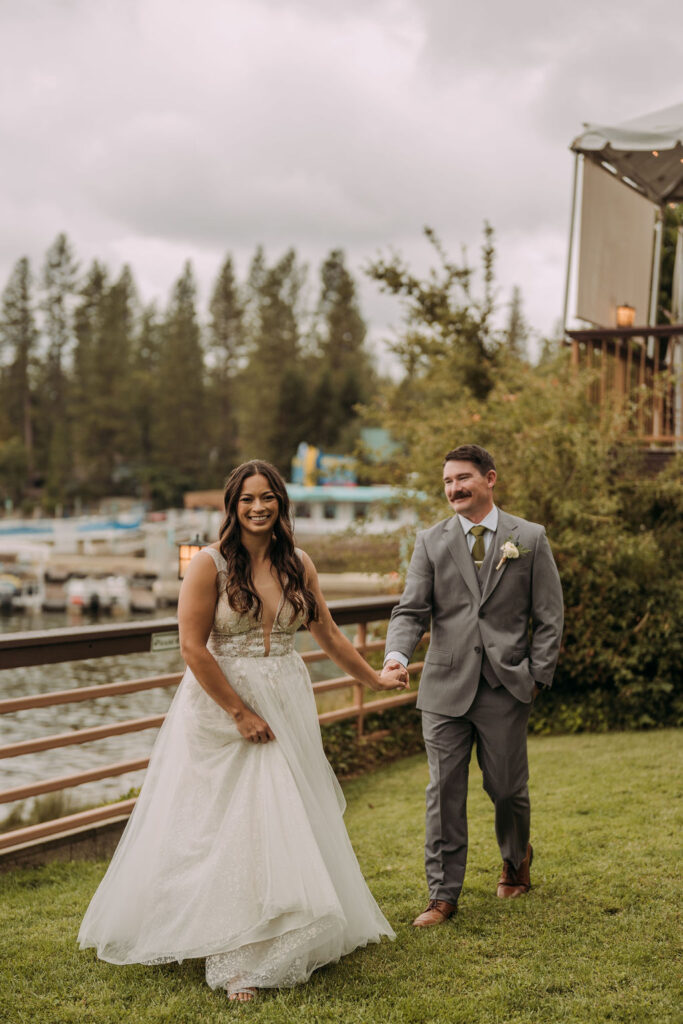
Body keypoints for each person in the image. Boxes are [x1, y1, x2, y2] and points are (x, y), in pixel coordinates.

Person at [79, 459, 409, 1002]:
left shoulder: (299, 562)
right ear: (232, 507)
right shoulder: (209, 564)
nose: (258, 507)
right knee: (222, 823)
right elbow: (191, 647)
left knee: (282, 814)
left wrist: (372, 677)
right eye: (247, 499)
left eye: (268, 497)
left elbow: (324, 629)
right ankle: (239, 958)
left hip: (286, 695)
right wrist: (239, 712)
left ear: (281, 503)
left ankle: (286, 924)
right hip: (222, 704)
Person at [381, 444, 563, 927]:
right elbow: (411, 610)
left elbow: (548, 616)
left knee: (506, 789)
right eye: (446, 482)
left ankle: (514, 859)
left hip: (506, 686)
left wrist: (536, 677)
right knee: (443, 791)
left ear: (490, 479)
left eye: (463, 478)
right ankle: (442, 895)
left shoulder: (529, 537)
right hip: (443, 685)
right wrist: (397, 655)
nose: (454, 489)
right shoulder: (431, 541)